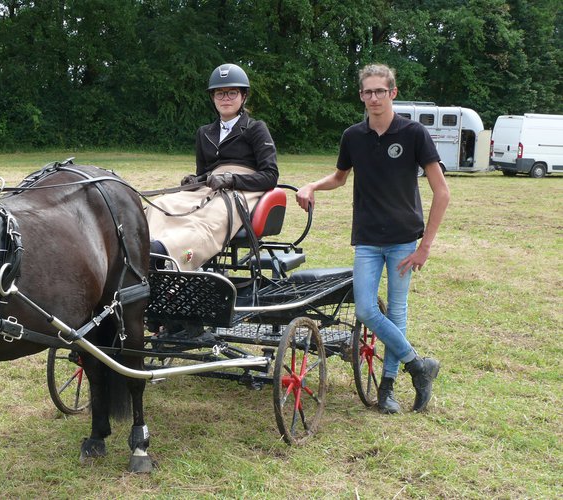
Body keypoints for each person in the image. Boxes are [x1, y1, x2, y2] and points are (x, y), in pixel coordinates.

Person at [295, 63, 450, 413]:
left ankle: (388, 389)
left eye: (381, 91)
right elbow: (340, 177)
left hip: (403, 240)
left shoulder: (414, 134)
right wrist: (312, 185)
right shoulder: (353, 136)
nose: (374, 97)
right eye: (368, 92)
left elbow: (442, 193)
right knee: (365, 309)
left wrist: (425, 247)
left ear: (392, 93)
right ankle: (419, 366)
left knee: (397, 312)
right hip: (366, 238)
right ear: (361, 95)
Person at [146, 63, 279, 272]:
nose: (225, 98)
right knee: (162, 204)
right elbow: (203, 173)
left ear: (243, 96)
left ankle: (167, 254)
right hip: (210, 187)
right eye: (220, 93)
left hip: (242, 191)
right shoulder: (204, 132)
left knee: (204, 220)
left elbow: (270, 175)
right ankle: (147, 250)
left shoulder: (256, 128)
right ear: (213, 98)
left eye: (232, 93)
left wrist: (232, 179)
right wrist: (194, 181)